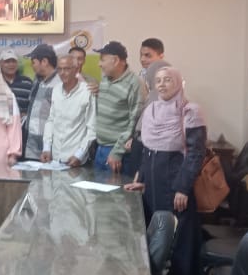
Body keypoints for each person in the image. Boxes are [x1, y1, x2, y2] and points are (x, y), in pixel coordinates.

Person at [124, 66, 205, 275]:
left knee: (178, 242)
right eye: (158, 81)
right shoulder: (150, 110)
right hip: (152, 187)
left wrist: (183, 188)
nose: (162, 84)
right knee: (156, 239)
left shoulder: (190, 111)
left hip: (175, 186)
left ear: (178, 83)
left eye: (168, 80)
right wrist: (140, 178)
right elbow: (147, 151)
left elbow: (195, 154)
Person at [92, 41, 140, 172]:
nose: (99, 64)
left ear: (116, 60)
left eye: (102, 60)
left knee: (115, 187)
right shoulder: (105, 79)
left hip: (117, 153)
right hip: (100, 148)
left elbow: (134, 121)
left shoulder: (134, 83)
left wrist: (117, 151)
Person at [41, 53, 96, 166]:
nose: (62, 73)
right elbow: (51, 120)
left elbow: (92, 128)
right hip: (54, 158)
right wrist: (46, 148)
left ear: (76, 70)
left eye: (66, 69)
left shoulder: (87, 92)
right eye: (59, 69)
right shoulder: (56, 90)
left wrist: (79, 154)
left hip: (76, 159)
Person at [122, 58, 171, 176]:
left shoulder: (157, 97)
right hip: (150, 150)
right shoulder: (163, 96)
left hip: (146, 150)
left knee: (138, 181)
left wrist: (135, 138)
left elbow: (145, 126)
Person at [23, 44, 61, 159]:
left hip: (49, 147)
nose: (32, 66)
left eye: (33, 62)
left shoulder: (60, 83)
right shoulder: (36, 81)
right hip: (31, 145)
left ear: (44, 61)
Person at [0, 48, 33, 120]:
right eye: (7, 61)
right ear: (0, 64)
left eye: (14, 61)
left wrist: (26, 114)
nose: (11, 64)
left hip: (22, 125)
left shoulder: (27, 82)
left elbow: (33, 106)